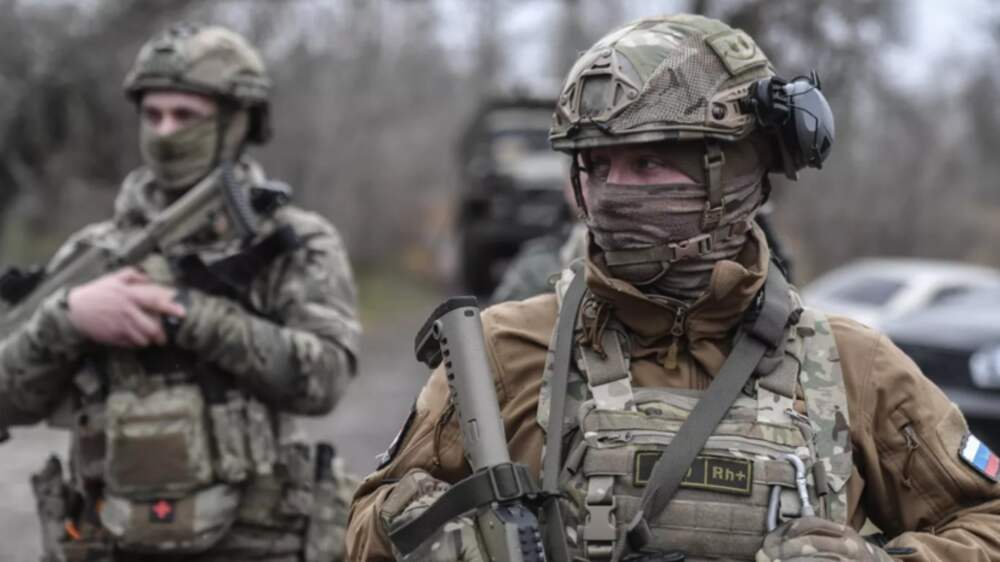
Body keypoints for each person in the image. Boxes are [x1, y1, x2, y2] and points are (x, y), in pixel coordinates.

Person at [346, 14, 1000, 562]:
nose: (613, 192)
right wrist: (445, 539)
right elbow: (370, 524)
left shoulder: (855, 367)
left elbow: (986, 521)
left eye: (649, 160)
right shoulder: (503, 349)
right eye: (596, 164)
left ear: (736, 169)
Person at [0, 23, 360, 562]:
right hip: (108, 542)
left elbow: (325, 380)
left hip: (260, 543)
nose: (165, 132)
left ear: (238, 122)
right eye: (153, 115)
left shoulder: (292, 241)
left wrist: (191, 315)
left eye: (185, 115)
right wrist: (67, 319)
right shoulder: (93, 254)